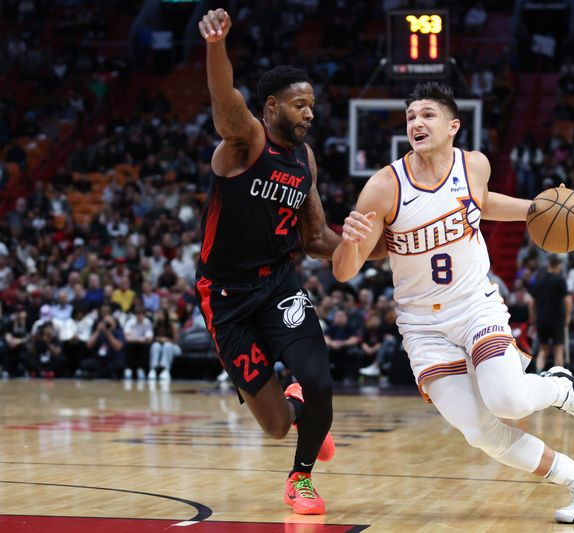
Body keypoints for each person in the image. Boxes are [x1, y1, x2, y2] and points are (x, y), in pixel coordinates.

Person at [331, 82, 574, 524]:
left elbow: (479, 204)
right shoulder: (383, 187)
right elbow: (344, 271)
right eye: (410, 117)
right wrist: (349, 244)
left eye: (427, 115)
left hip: (474, 307)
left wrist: (537, 209)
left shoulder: (474, 166)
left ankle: (562, 387)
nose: (416, 123)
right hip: (422, 326)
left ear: (452, 126)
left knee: (508, 401)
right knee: (481, 432)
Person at [195, 8, 383, 515]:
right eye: (300, 105)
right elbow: (223, 99)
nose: (310, 114)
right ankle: (298, 411)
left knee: (322, 382)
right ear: (272, 106)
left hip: (279, 286)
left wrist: (376, 248)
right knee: (277, 425)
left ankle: (300, 479)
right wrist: (216, 45)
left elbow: (317, 237)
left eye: (313, 106)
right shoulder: (245, 142)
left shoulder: (306, 162)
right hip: (226, 297)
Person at [530, 255, 573, 372]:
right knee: (558, 350)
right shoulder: (560, 280)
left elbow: (531, 302)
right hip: (557, 320)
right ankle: (559, 378)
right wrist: (568, 317)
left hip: (542, 320)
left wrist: (533, 318)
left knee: (543, 350)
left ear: (549, 264)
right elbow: (568, 300)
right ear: (558, 265)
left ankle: (539, 374)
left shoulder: (540, 280)